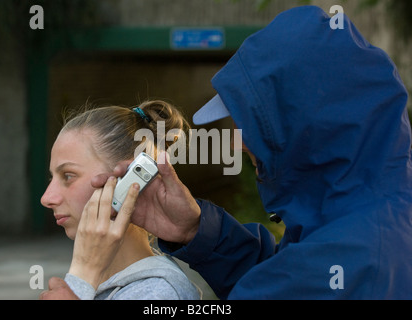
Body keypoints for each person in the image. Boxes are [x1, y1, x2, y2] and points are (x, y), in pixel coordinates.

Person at [43, 5, 412, 300]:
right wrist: (198, 232)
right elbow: (279, 273)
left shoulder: (347, 263)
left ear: (306, 127)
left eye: (251, 125)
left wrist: (80, 286)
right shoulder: (368, 222)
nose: (237, 142)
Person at [39, 100, 200, 300]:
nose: (46, 198)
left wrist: (81, 278)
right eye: (51, 178)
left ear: (130, 178)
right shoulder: (106, 284)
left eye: (68, 176)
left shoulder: (157, 294)